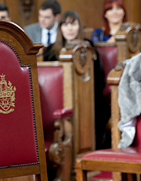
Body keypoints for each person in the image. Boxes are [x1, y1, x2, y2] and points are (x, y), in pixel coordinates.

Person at [43, 10, 108, 150]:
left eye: (73, 24)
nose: (70, 29)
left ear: (79, 27)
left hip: (87, 99)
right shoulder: (50, 51)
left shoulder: (88, 47)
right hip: (59, 99)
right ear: (60, 28)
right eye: (65, 25)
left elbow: (99, 80)